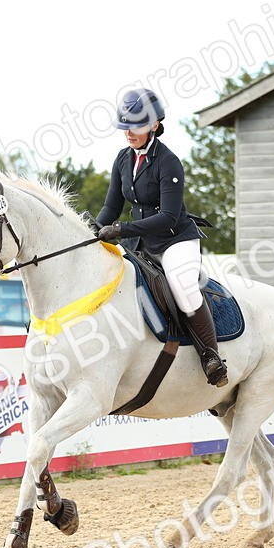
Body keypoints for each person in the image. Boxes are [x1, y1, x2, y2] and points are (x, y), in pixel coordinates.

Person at [94, 87, 228, 387]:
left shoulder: (168, 162)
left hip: (174, 240)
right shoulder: (122, 159)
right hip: (139, 243)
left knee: (182, 285)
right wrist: (90, 230)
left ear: (155, 125)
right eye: (125, 126)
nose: (129, 133)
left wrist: (122, 229)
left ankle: (211, 356)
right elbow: (111, 207)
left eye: (136, 126)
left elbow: (167, 216)